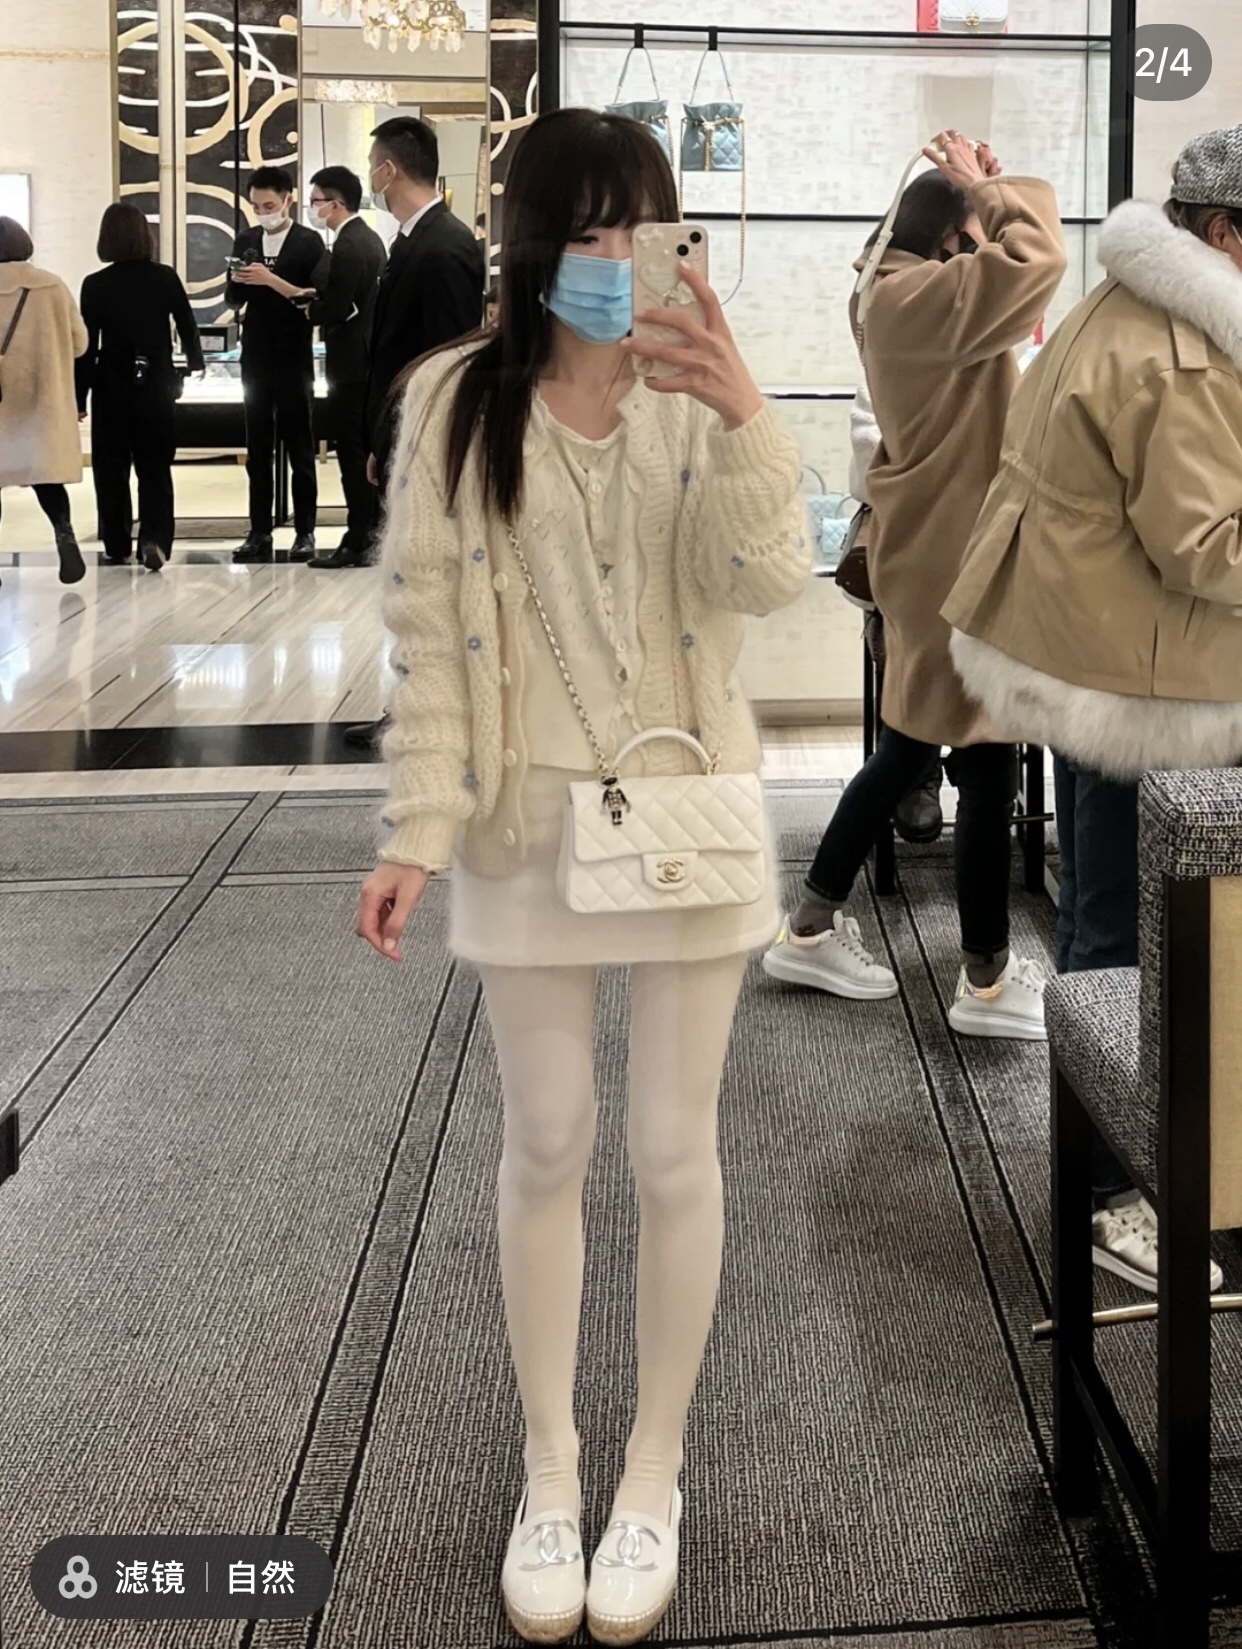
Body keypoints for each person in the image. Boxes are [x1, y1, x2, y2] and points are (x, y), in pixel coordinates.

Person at [354, 108, 809, 1646]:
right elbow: (425, 634)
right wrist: (415, 826)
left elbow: (767, 579)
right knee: (546, 1140)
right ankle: (549, 1466)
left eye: (644, 227)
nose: (617, 258)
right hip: (523, 823)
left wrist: (742, 415)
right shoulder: (453, 401)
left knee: (674, 1154)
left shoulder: (696, 392)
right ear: (533, 240)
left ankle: (650, 1471)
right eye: (588, 229)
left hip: (686, 815)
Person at [945, 122, 1242, 1294]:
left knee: (1105, 919)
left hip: (1097, 657)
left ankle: (1102, 1172)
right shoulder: (1188, 352)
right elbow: (1203, 543)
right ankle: (1123, 1192)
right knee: (1137, 936)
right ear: (1223, 233)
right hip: (1144, 678)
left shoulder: (1128, 304)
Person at [763, 132, 1066, 1040]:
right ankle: (981, 978)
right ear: (948, 241)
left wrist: (978, 192)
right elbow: (1040, 260)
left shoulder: (892, 290)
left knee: (928, 752)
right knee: (965, 756)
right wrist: (992, 192)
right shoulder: (917, 299)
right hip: (951, 560)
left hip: (933, 551)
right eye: (971, 238)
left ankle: (824, 926)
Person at [342, 116, 486, 749]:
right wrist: (382, 439)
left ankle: (425, 709)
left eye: (373, 165)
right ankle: (410, 703)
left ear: (388, 169)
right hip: (401, 436)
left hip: (427, 441)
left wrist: (412, 441)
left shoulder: (444, 246)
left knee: (424, 580)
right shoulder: (412, 241)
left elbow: (445, 360)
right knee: (409, 578)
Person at [76, 203, 204, 573]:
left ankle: (116, 543)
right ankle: (155, 540)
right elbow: (186, 323)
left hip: (111, 384)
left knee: (110, 468)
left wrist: (79, 396)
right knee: (155, 467)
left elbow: (86, 347)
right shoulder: (164, 277)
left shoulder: (95, 284)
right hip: (156, 382)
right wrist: (195, 362)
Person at [225, 165, 328, 564]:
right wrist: (239, 281)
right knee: (257, 448)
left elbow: (314, 297)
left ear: (288, 200)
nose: (262, 213)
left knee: (300, 445)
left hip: (293, 353)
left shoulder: (307, 242)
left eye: (269, 206)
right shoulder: (246, 239)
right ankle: (258, 531)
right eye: (256, 206)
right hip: (255, 352)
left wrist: (271, 279)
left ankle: (305, 530)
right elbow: (232, 298)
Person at [304, 166, 386, 569]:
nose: (312, 208)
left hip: (351, 363)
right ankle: (370, 533)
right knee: (363, 451)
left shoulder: (350, 246)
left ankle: (359, 538)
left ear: (335, 204)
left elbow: (340, 306)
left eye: (315, 201)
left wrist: (310, 309)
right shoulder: (370, 240)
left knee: (353, 453)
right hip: (365, 359)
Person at [0, 217, 88, 585]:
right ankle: (64, 533)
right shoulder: (51, 286)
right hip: (41, 402)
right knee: (45, 479)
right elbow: (80, 343)